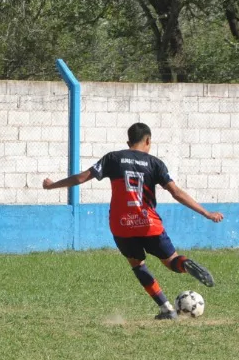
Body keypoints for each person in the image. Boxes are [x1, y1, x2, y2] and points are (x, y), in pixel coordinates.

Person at [41, 122, 223, 320]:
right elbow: (176, 193)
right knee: (171, 261)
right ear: (148, 140)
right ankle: (185, 265)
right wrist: (206, 213)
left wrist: (52, 186)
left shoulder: (113, 158)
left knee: (138, 265)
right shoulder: (155, 163)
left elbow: (81, 178)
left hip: (122, 225)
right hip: (148, 224)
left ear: (128, 142)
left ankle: (167, 309)